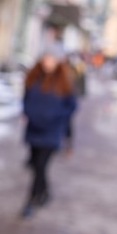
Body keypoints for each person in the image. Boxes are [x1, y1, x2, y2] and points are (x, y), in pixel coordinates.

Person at [21, 42, 77, 218]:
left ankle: (31, 201)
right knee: (36, 165)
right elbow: (26, 99)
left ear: (58, 61)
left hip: (52, 132)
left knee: (40, 166)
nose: (48, 61)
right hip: (34, 129)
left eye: (52, 58)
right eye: (46, 57)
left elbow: (71, 106)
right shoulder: (33, 76)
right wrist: (29, 112)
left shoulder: (65, 82)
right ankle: (45, 192)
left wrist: (56, 116)